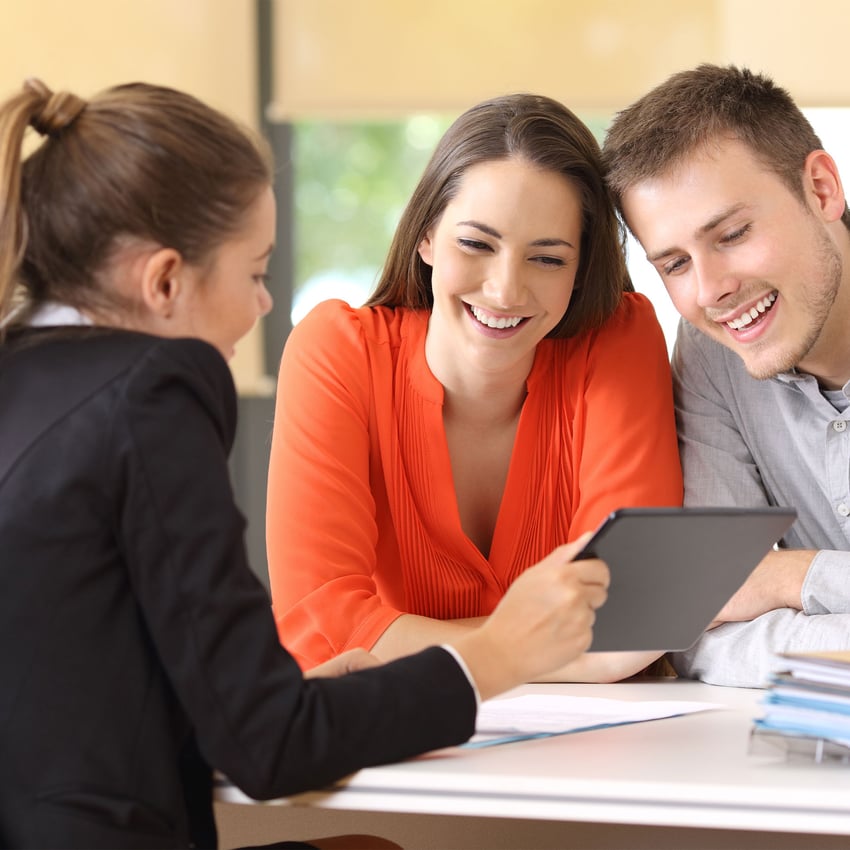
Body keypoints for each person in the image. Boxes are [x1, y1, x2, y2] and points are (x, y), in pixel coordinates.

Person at [0, 78, 612, 849]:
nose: (263, 306)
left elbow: (77, 685)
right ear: (163, 283)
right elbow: (270, 747)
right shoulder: (147, 396)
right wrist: (493, 656)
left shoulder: (23, 378)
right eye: (255, 273)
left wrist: (286, 697)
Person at [266, 93, 683, 683]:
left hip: (596, 747)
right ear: (427, 237)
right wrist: (551, 652)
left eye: (547, 258)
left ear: (581, 270)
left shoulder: (618, 338)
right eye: (476, 244)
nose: (506, 290)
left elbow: (634, 612)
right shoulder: (338, 351)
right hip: (403, 740)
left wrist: (396, 641)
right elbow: (320, 627)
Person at [602, 63, 850, 688]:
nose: (711, 291)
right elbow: (697, 628)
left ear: (821, 189)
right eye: (676, 263)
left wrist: (790, 576)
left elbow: (734, 601)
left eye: (733, 234)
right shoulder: (715, 351)